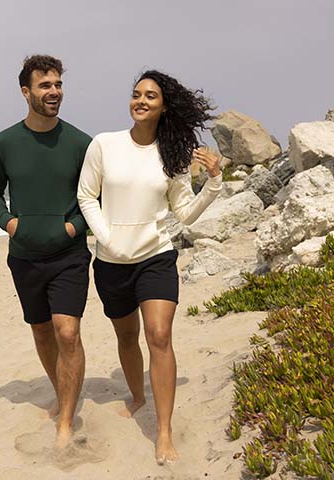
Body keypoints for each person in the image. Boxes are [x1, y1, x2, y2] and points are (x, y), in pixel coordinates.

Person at [77, 70, 222, 464]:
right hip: (111, 263)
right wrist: (106, 237)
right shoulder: (104, 145)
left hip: (156, 257)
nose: (140, 100)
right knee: (127, 337)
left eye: (150, 96)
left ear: (163, 106)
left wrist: (213, 181)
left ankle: (164, 432)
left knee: (158, 336)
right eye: (136, 94)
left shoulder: (171, 157)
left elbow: (186, 214)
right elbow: (86, 196)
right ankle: (138, 395)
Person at [0, 55, 92, 450]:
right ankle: (63, 393)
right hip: (24, 256)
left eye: (58, 84)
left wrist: (73, 227)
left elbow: (93, 197)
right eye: (45, 86)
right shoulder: (4, 143)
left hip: (69, 254)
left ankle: (66, 419)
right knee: (42, 331)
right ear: (26, 92)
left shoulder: (81, 142)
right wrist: (11, 223)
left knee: (68, 331)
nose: (54, 92)